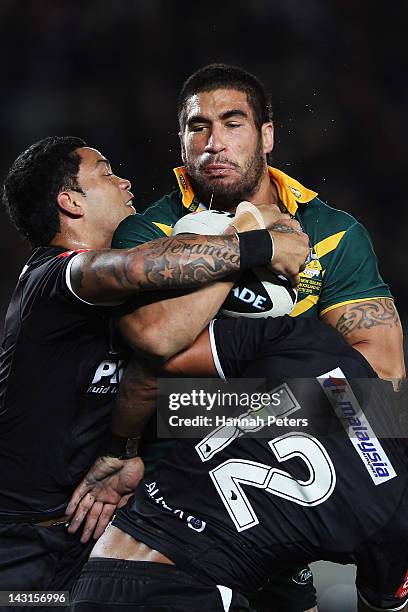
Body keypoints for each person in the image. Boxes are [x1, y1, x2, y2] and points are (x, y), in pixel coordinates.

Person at [105, 63, 406, 612]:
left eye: (232, 123)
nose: (213, 142)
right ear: (181, 139)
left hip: (285, 509)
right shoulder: (149, 232)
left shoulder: (333, 233)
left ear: (267, 134)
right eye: (198, 127)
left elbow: (382, 391)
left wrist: (198, 396)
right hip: (178, 509)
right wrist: (248, 244)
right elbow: (152, 341)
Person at [0, 136, 308, 602]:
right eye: (105, 172)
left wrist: (122, 449)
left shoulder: (136, 310)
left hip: (94, 534)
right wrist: (257, 242)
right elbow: (139, 269)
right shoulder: (55, 279)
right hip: (20, 545)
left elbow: (153, 364)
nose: (125, 181)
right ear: (70, 202)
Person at [70, 315, 408, 612]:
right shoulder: (395, 510)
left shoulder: (312, 343)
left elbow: (155, 360)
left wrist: (121, 450)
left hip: (98, 574)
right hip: (198, 591)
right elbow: (382, 605)